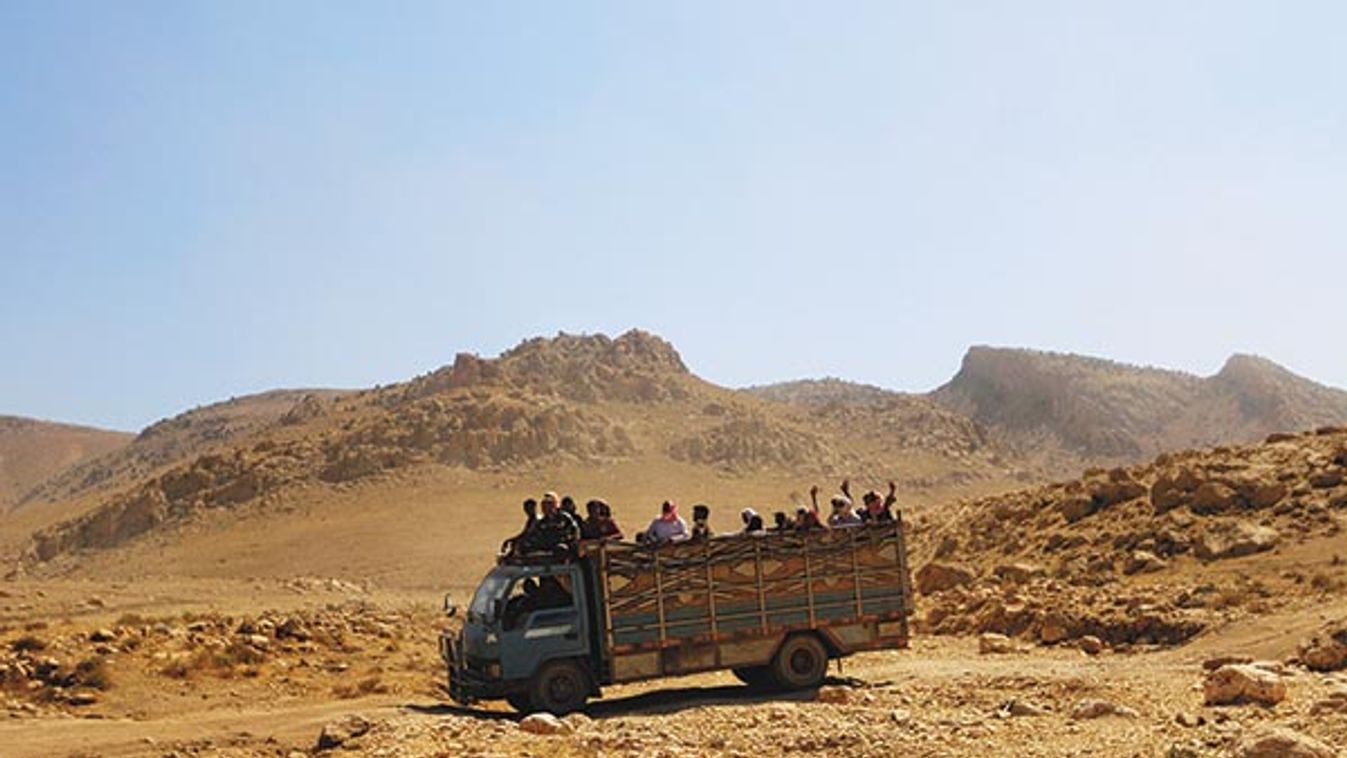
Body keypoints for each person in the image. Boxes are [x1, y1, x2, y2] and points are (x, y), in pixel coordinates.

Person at [535, 491, 580, 556]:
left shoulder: (564, 517)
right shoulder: (541, 522)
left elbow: (575, 531)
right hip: (547, 545)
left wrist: (570, 541)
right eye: (544, 505)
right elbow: (537, 535)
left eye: (549, 504)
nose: (546, 508)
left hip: (564, 544)